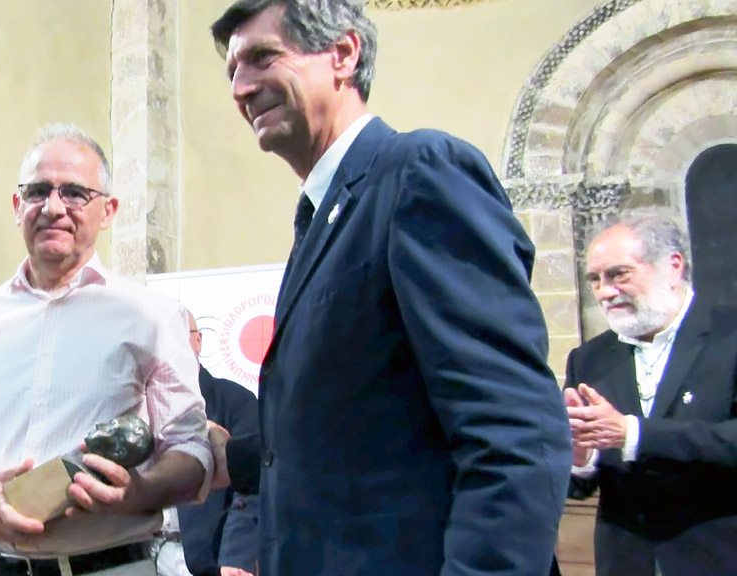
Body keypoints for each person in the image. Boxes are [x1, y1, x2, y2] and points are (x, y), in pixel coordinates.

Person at [207, 1, 572, 575]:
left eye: (261, 58)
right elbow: (369, 430)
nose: (241, 87)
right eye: (231, 71)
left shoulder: (419, 173)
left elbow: (513, 433)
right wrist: (223, 458)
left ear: (343, 54)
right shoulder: (321, 218)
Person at [0, 124, 212, 576]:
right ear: (16, 205)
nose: (52, 207)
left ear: (108, 211)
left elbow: (192, 448)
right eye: (37, 191)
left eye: (75, 193)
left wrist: (138, 491)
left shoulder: (152, 317)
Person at [565, 215, 737, 575]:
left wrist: (633, 434)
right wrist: (580, 460)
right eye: (594, 279)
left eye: (618, 274)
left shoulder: (730, 336)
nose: (604, 292)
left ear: (673, 266)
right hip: (628, 562)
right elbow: (580, 486)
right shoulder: (589, 359)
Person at [157, 312, 259, 576]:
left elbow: (253, 483)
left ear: (198, 341)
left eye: (179, 335)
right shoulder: (143, 406)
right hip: (151, 556)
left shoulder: (237, 402)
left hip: (213, 561)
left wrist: (238, 555)